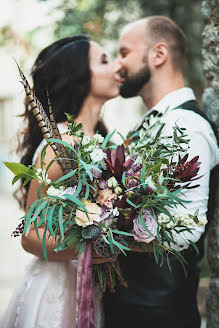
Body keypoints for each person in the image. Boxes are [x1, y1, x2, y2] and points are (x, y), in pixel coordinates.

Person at [103, 16, 219, 328]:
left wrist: (101, 235)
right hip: (135, 308)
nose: (118, 64)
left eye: (124, 52)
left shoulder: (187, 126)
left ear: (158, 54)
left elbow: (185, 229)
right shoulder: (153, 123)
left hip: (159, 314)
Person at [1, 34, 120, 328]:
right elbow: (31, 235)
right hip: (58, 291)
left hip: (90, 291)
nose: (117, 66)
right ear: (79, 75)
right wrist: (93, 249)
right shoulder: (61, 144)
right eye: (104, 60)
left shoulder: (104, 141)